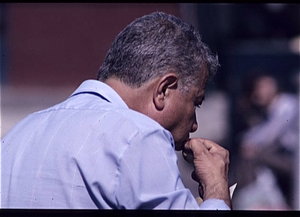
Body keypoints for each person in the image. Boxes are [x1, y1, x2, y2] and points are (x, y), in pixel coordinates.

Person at [1, 12, 231, 210]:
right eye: (196, 102)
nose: (195, 125)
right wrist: (216, 189)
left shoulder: (18, 134)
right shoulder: (139, 136)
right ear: (163, 91)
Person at [234, 73, 299, 209]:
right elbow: (260, 132)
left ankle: (248, 198)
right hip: (281, 157)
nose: (258, 92)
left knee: (252, 156)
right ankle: (251, 198)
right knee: (251, 156)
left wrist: (249, 143)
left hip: (292, 159)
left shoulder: (286, 104)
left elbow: (272, 134)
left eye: (262, 88)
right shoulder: (270, 109)